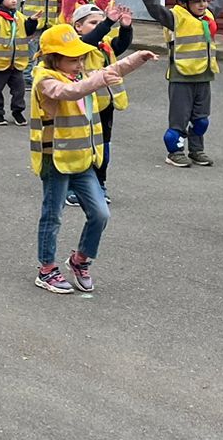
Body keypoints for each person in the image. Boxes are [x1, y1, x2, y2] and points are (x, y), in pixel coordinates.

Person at [29, 24, 155, 294]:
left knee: (100, 213)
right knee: (53, 216)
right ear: (54, 58)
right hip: (57, 159)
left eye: (80, 58)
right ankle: (47, 269)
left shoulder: (80, 76)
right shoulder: (45, 78)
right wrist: (98, 80)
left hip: (84, 159)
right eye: (72, 58)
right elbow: (68, 93)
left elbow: (110, 71)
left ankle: (80, 260)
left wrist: (137, 58)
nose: (79, 63)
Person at [137, 0, 223, 167]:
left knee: (201, 120)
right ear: (184, 3)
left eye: (204, 0)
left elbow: (220, 0)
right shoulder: (176, 17)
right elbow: (155, 10)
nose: (202, 5)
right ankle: (174, 152)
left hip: (204, 75)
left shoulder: (207, 14)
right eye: (197, 1)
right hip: (181, 77)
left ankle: (196, 150)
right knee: (179, 121)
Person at [69, 1, 135, 203]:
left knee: (103, 147)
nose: (99, 26)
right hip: (82, 106)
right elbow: (89, 40)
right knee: (81, 147)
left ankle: (99, 183)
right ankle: (74, 187)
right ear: (78, 26)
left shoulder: (104, 44)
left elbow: (121, 45)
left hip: (105, 105)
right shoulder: (76, 44)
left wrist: (125, 27)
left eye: (100, 22)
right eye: (93, 22)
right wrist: (107, 22)